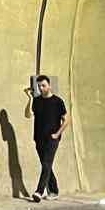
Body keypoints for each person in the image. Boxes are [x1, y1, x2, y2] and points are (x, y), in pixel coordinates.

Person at [23, 73, 68, 201]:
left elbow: (66, 120)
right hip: (39, 138)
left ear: (49, 86)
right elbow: (28, 115)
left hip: (52, 139)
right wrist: (30, 98)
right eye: (39, 86)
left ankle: (39, 191)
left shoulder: (58, 101)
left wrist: (57, 134)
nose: (41, 88)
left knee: (47, 163)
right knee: (46, 165)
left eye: (43, 85)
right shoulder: (37, 101)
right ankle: (54, 191)